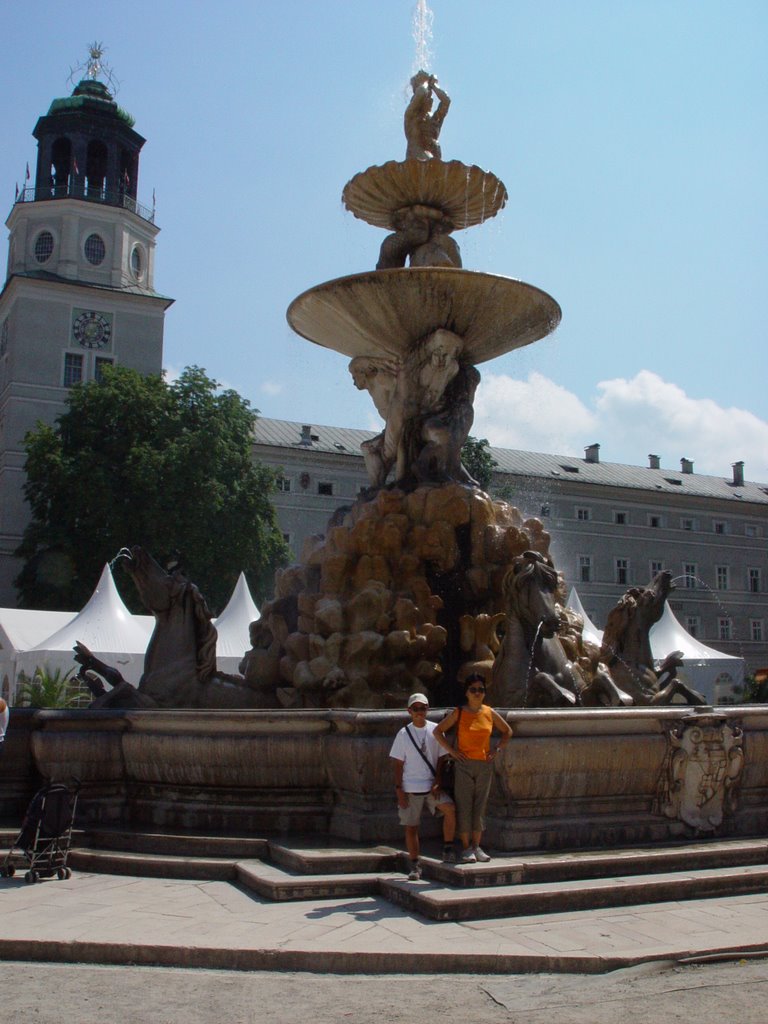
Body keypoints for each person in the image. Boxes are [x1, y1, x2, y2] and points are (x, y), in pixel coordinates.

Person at [433, 673, 512, 863]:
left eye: (481, 690)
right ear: (467, 692)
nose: (477, 693)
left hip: (484, 764)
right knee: (464, 805)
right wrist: (452, 751)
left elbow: (508, 731)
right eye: (473, 690)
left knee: (480, 806)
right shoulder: (459, 712)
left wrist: (497, 749)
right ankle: (467, 848)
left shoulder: (489, 712)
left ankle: (477, 847)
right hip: (463, 765)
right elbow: (437, 731)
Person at [389, 692, 457, 880]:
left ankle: (448, 847)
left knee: (450, 809)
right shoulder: (403, 734)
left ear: (427, 709)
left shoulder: (436, 730)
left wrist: (438, 781)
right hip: (410, 787)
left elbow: (442, 758)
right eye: (416, 709)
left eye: (423, 708)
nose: (420, 712)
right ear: (409, 711)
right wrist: (399, 790)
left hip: (431, 787)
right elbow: (398, 764)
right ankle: (414, 864)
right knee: (411, 826)